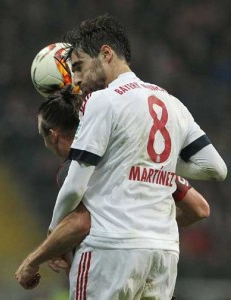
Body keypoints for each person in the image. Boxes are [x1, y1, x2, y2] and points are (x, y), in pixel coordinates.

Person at [17, 14, 227, 299]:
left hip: (110, 251)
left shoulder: (102, 101)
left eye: (78, 67)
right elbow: (216, 168)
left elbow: (75, 187)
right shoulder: (172, 103)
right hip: (163, 254)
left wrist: (54, 235)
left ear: (106, 54)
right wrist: (146, 157)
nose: (76, 80)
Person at [16, 85, 210, 290]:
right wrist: (143, 225)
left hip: (109, 268)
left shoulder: (76, 169)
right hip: (158, 262)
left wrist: (33, 260)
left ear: (53, 135)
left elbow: (80, 223)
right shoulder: (131, 156)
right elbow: (199, 208)